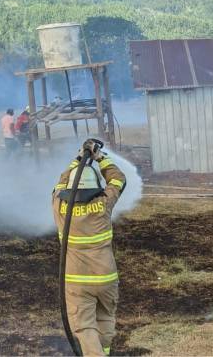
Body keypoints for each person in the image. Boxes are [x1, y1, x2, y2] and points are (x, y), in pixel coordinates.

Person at [52, 141, 127, 356]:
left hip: (76, 280)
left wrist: (77, 159)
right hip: (105, 277)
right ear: (95, 187)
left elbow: (61, 182)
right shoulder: (104, 203)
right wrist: (99, 157)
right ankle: (103, 352)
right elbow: (118, 180)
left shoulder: (58, 206)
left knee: (84, 327)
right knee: (105, 319)